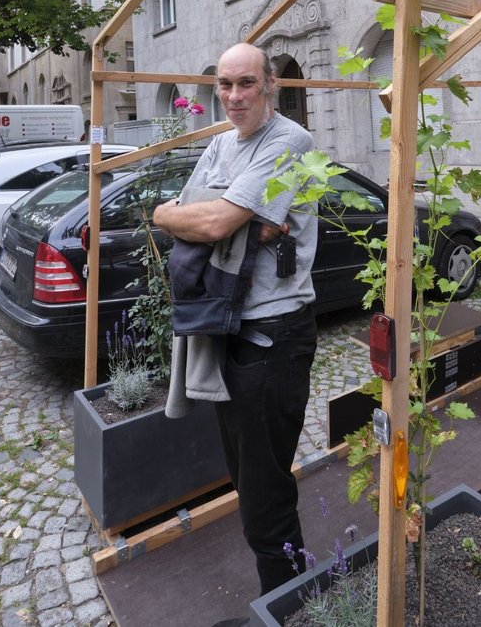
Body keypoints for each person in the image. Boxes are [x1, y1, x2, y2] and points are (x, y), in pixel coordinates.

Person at [153, 43, 317, 597]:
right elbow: (174, 213)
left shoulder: (291, 141)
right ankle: (286, 598)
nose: (233, 96)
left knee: (265, 493)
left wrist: (220, 216)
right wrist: (184, 215)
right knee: (246, 479)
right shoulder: (221, 143)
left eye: (246, 83)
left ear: (270, 84)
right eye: (225, 84)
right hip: (225, 329)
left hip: (274, 337)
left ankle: (290, 607)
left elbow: (216, 221)